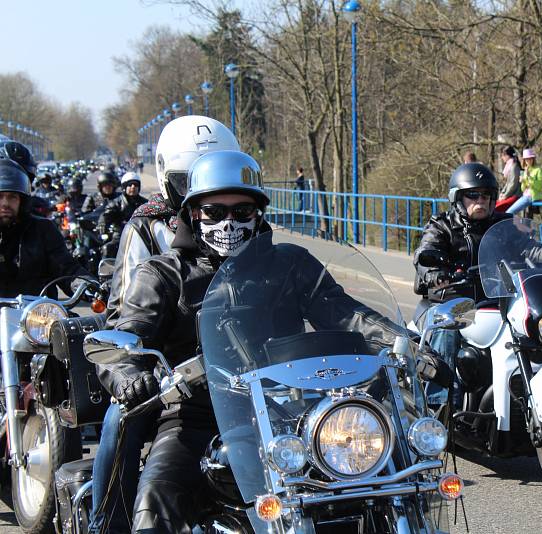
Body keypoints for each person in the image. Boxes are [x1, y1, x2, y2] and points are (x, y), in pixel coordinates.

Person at [97, 150, 409, 532]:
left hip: (291, 415)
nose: (229, 222)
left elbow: (344, 312)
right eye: (215, 211)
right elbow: (129, 334)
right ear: (193, 214)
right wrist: (128, 371)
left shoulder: (290, 263)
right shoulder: (163, 274)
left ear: (258, 213)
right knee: (157, 496)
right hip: (196, 417)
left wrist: (405, 343)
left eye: (241, 211)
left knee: (384, 477)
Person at [89, 115, 241, 534]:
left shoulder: (239, 228)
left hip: (238, 382)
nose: (203, 185)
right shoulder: (145, 224)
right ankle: (108, 521)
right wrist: (133, 370)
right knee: (120, 419)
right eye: (189, 178)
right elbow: (126, 306)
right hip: (163, 367)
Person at [412, 163, 511, 405]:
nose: (481, 201)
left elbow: (532, 248)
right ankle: (439, 407)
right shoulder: (442, 226)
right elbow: (426, 252)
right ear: (458, 198)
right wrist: (434, 272)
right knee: (449, 330)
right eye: (473, 195)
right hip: (453, 302)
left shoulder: (504, 225)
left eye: (486, 195)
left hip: (495, 303)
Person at [0, 159, 90, 299]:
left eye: (12, 197)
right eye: (0, 197)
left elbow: (66, 268)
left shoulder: (42, 229)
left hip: (37, 315)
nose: (5, 203)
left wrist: (86, 285)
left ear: (21, 201)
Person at [507, 148, 542, 217]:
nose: (528, 161)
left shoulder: (538, 170)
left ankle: (514, 226)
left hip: (532, 197)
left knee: (509, 212)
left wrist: (529, 176)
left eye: (530, 159)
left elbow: (539, 186)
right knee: (509, 212)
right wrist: (523, 181)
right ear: (524, 160)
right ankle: (516, 226)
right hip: (525, 196)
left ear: (533, 159)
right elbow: (523, 189)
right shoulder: (525, 170)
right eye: (527, 159)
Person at [495, 146, 521, 213]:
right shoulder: (509, 166)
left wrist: (505, 196)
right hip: (510, 195)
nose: (502, 158)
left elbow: (513, 184)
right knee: (494, 206)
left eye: (503, 156)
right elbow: (507, 184)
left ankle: (516, 223)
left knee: (497, 208)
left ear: (507, 155)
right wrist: (502, 193)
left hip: (515, 195)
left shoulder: (514, 166)